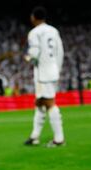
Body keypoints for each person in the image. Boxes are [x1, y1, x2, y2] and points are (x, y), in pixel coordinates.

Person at [24, 6, 65, 147]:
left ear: (34, 17)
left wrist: (29, 58)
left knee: (49, 103)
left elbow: (34, 53)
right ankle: (34, 136)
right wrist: (57, 70)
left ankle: (59, 139)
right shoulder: (54, 31)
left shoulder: (34, 33)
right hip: (53, 70)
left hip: (43, 73)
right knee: (39, 103)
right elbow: (60, 52)